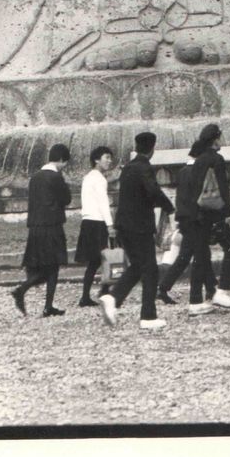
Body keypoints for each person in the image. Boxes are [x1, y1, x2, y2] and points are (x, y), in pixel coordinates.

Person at [159, 120, 230, 309]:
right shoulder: (215, 159)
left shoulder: (197, 162)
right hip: (213, 214)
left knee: (201, 256)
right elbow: (222, 188)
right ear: (215, 139)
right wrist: (228, 212)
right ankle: (221, 291)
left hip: (198, 215)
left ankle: (196, 300)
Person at [101, 131, 172, 331]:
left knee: (137, 266)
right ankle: (148, 316)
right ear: (152, 149)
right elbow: (152, 191)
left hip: (123, 225)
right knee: (150, 269)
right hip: (139, 227)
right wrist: (169, 206)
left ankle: (113, 299)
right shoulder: (144, 167)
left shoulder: (128, 168)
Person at [12, 144, 72, 315]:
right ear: (61, 160)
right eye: (64, 163)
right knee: (53, 266)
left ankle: (25, 291)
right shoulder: (56, 177)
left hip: (36, 227)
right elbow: (66, 199)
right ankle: (43, 303)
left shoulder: (35, 177)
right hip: (52, 226)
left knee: (43, 265)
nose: (64, 166)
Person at [75, 145, 116, 307]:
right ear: (96, 160)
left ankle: (95, 293)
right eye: (106, 157)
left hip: (88, 221)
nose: (109, 161)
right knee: (102, 258)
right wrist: (110, 225)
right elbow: (103, 204)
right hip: (98, 222)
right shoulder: (99, 179)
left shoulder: (88, 177)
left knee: (96, 260)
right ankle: (101, 291)